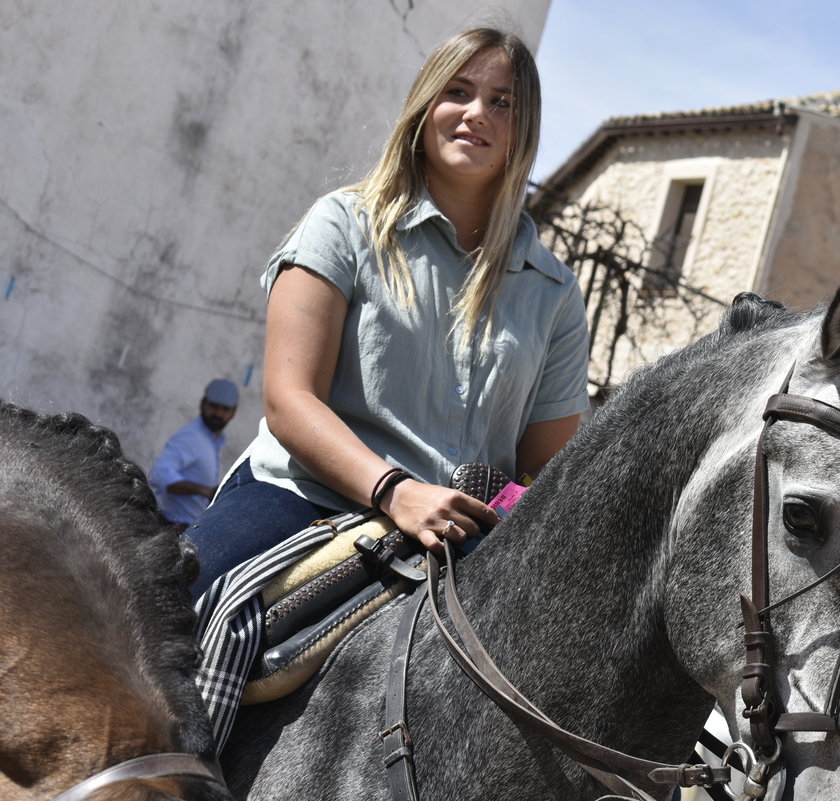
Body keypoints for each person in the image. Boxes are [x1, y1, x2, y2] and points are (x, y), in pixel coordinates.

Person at [186, 27, 590, 595]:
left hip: (464, 542)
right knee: (179, 620)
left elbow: (547, 472)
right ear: (426, 107)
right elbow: (288, 399)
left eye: (503, 102)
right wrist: (396, 491)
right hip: (305, 499)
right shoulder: (343, 225)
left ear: (524, 131)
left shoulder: (556, 293)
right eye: (458, 91)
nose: (478, 113)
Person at [149, 379, 239, 525]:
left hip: (182, 528)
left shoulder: (212, 440)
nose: (218, 413)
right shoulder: (191, 436)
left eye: (225, 409)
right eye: (214, 406)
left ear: (233, 412)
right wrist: (205, 491)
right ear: (202, 404)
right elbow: (158, 474)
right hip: (167, 525)